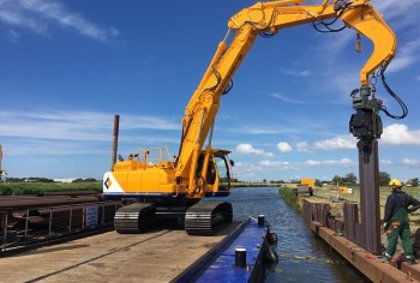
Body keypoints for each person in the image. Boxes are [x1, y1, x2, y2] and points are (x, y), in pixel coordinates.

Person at [380, 179, 420, 264]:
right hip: (405, 221)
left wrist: (386, 221)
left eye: (391, 187)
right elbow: (418, 203)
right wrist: (410, 210)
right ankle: (410, 258)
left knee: (392, 238)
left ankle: (387, 257)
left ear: (394, 187)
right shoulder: (407, 196)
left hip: (395, 222)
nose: (390, 188)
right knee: (406, 239)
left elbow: (388, 211)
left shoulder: (391, 197)